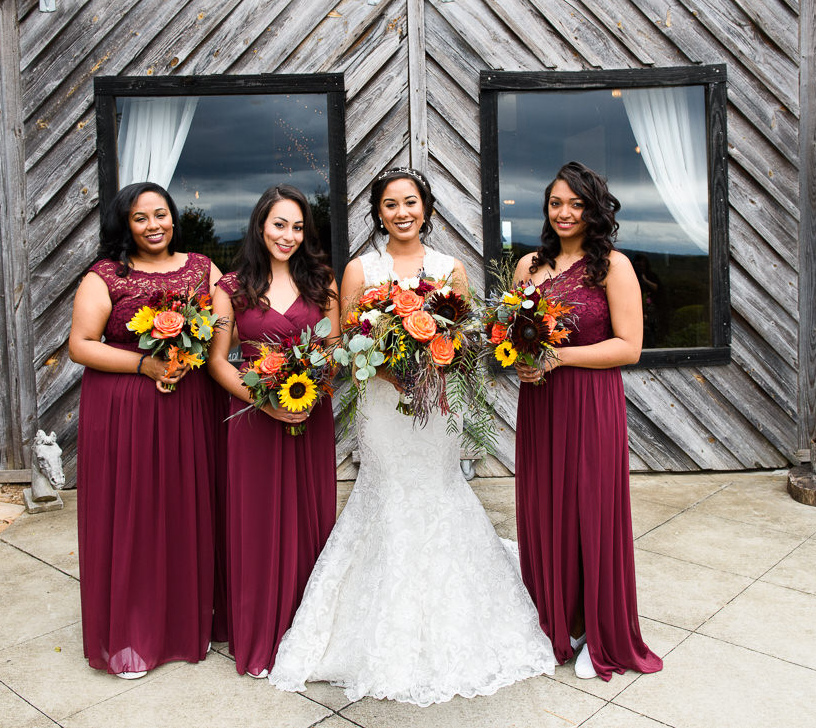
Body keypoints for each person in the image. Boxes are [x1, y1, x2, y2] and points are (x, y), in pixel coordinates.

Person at [269, 167, 555, 706]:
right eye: (390, 204)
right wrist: (390, 369)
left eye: (411, 203)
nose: (402, 212)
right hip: (383, 406)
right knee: (387, 494)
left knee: (440, 490)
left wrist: (436, 357)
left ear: (426, 209)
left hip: (437, 407)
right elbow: (350, 344)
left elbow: (469, 340)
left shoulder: (452, 268)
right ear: (378, 213)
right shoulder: (360, 269)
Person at [512, 161, 663, 681]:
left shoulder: (613, 267)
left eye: (576, 204)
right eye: (557, 203)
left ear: (595, 209)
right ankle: (558, 621)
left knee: (590, 509)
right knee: (545, 507)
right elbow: (516, 338)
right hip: (540, 405)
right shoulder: (528, 266)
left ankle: (597, 629)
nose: (565, 213)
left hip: (591, 400)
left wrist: (560, 358)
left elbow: (630, 346)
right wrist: (525, 365)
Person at [68, 181, 225, 679]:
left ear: (174, 218)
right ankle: (133, 634)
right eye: (141, 218)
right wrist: (145, 366)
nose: (154, 225)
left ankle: (187, 621)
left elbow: (229, 325)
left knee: (189, 509)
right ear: (125, 224)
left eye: (161, 214)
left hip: (192, 408)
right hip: (128, 412)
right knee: (137, 515)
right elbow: (81, 345)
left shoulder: (202, 269)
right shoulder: (105, 276)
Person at [207, 184, 340, 679]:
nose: (288, 235)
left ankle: (308, 633)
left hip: (310, 414)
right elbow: (218, 362)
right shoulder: (232, 288)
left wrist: (308, 395)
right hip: (255, 418)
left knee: (310, 519)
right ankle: (262, 633)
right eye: (279, 224)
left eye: (298, 226)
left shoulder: (322, 281)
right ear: (261, 225)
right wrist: (265, 402)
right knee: (258, 523)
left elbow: (333, 351)